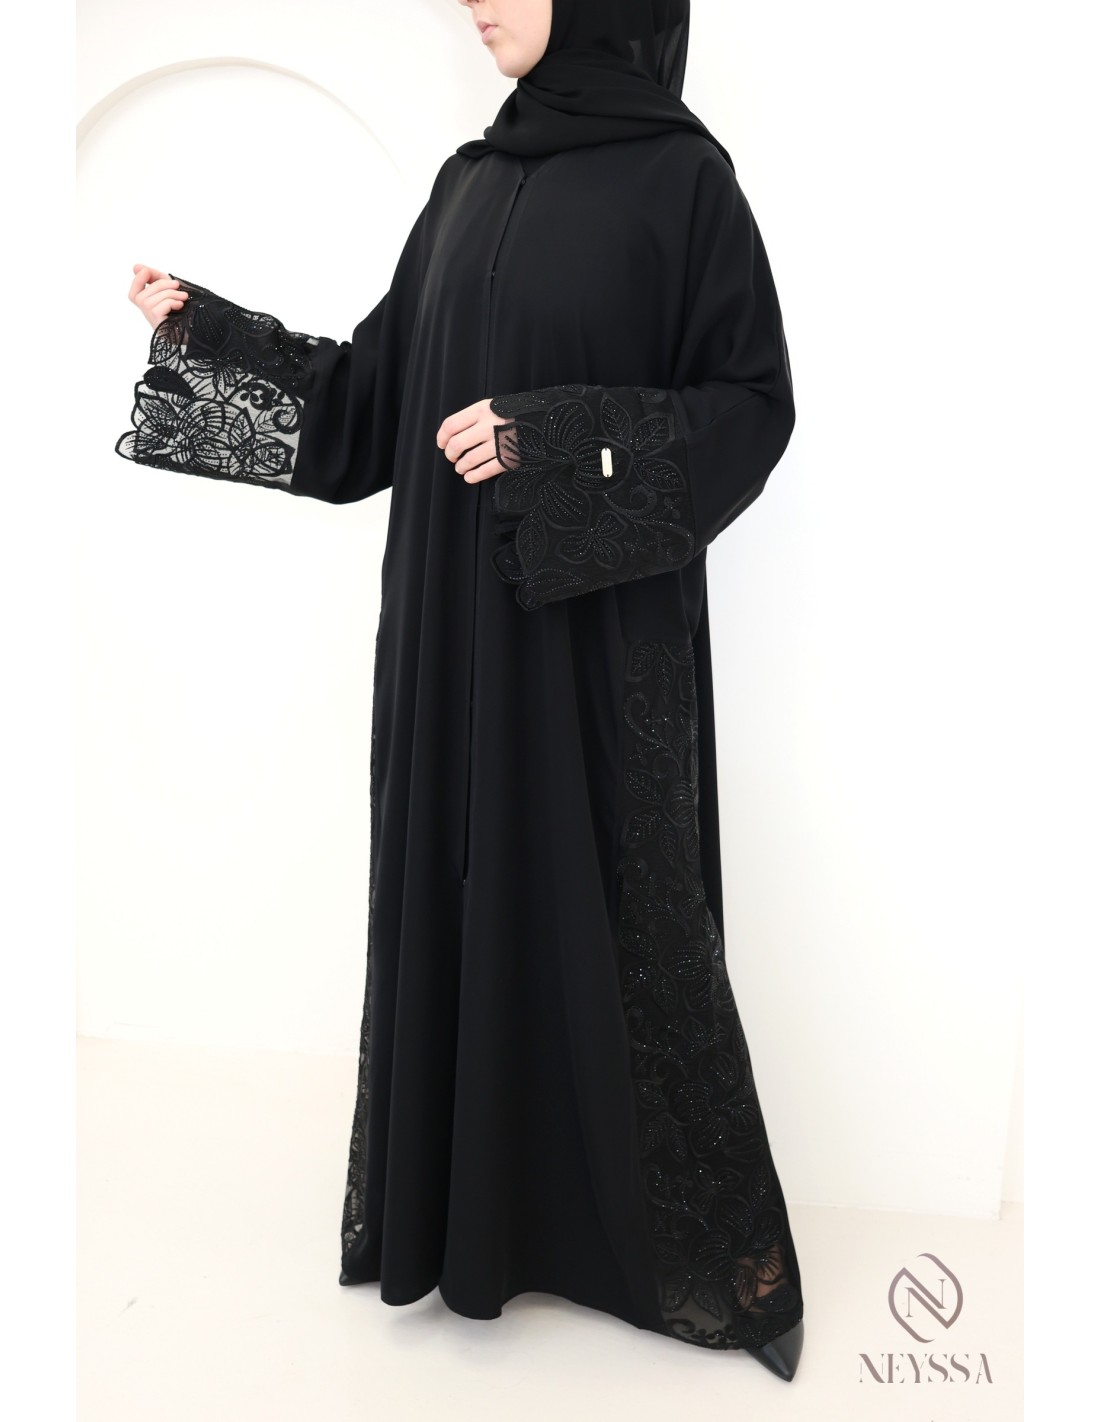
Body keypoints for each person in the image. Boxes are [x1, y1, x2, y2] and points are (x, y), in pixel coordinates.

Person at [116, 0, 805, 1381]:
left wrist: (560, 440)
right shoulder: (466, 185)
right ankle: (477, 1222)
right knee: (463, 890)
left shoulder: (685, 183)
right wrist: (209, 333)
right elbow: (369, 405)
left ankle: (622, 1235)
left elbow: (752, 405)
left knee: (614, 907)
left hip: (591, 653)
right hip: (451, 645)